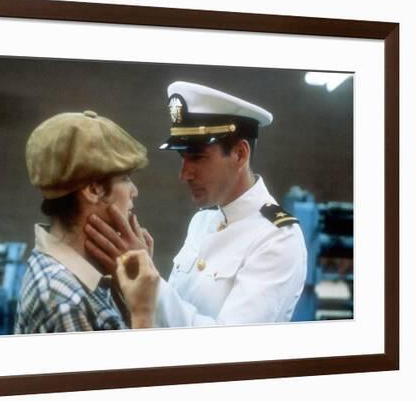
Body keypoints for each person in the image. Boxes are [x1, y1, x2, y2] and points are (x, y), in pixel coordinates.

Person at [85, 81, 307, 327]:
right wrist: (143, 280)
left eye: (197, 157)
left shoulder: (277, 239)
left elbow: (228, 349)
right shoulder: (202, 221)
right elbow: (172, 318)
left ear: (240, 154)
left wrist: (151, 283)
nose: (184, 174)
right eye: (183, 158)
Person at [15, 110, 160, 334]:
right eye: (125, 178)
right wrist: (143, 313)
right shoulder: (64, 300)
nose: (134, 191)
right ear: (94, 190)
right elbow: (129, 371)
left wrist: (126, 286)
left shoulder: (76, 275)